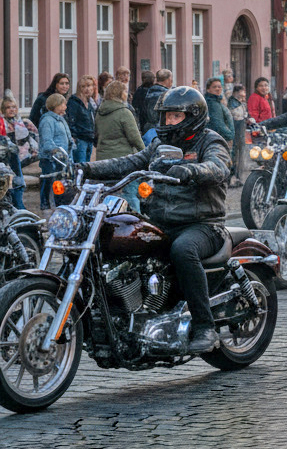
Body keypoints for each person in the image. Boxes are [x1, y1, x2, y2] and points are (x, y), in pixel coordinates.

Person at [76, 86, 232, 354]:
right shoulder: (160, 145)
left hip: (203, 224)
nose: (168, 122)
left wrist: (192, 170)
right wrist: (86, 168)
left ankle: (206, 327)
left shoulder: (210, 141)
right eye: (166, 116)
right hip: (162, 222)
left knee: (183, 250)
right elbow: (129, 162)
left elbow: (218, 167)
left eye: (175, 117)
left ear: (192, 116)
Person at [95, 80, 146, 210]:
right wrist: (145, 154)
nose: (127, 94)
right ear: (120, 93)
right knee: (130, 192)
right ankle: (136, 221)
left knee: (108, 194)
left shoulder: (100, 112)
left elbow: (96, 136)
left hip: (103, 160)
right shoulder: (124, 112)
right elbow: (135, 138)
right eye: (125, 91)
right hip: (124, 161)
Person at [38, 93, 74, 209]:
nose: (65, 107)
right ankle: (46, 208)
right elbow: (47, 140)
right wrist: (55, 150)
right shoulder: (47, 121)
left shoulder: (60, 120)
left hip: (62, 160)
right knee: (49, 183)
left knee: (61, 186)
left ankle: (60, 206)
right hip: (51, 160)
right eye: (63, 104)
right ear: (56, 105)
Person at [0, 98, 35, 208]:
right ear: (3, 110)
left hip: (22, 158)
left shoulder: (23, 122)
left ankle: (20, 211)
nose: (11, 109)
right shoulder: (2, 124)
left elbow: (34, 137)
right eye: (8, 107)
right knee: (10, 186)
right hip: (6, 159)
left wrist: (34, 151)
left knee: (18, 185)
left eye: (13, 107)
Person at [67, 75, 98, 163]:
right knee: (80, 165)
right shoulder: (74, 102)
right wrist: (74, 136)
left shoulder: (90, 103)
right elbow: (71, 120)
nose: (87, 89)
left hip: (89, 138)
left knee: (87, 165)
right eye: (83, 86)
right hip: (80, 139)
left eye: (89, 86)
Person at [136, 70, 172, 134]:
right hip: (162, 130)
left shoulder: (147, 92)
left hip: (147, 130)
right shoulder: (167, 95)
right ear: (168, 79)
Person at [204, 78, 233, 149]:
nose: (217, 89)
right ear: (208, 89)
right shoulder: (212, 103)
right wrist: (230, 136)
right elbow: (218, 123)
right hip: (218, 140)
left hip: (217, 138)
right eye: (214, 87)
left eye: (219, 87)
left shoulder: (217, 101)